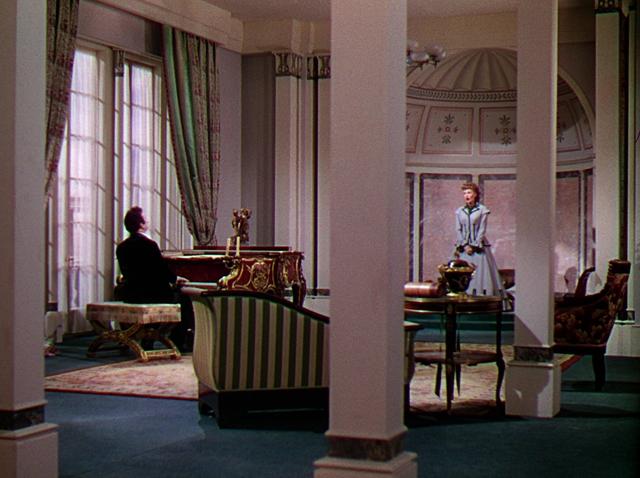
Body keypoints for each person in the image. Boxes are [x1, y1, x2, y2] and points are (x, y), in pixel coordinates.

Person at [116, 206, 193, 350]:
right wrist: (176, 279)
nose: (148, 221)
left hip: (131, 295)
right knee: (185, 298)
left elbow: (128, 273)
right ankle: (177, 340)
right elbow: (161, 271)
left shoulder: (121, 247)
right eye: (145, 219)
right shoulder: (149, 245)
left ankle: (148, 335)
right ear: (141, 224)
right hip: (152, 295)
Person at [453, 183, 504, 297]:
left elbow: (482, 228)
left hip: (478, 246)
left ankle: (481, 298)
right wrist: (465, 245)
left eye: (469, 192)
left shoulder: (482, 210)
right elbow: (458, 229)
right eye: (464, 193)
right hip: (463, 247)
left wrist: (474, 245)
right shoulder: (459, 211)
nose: (466, 195)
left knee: (480, 274)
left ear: (475, 194)